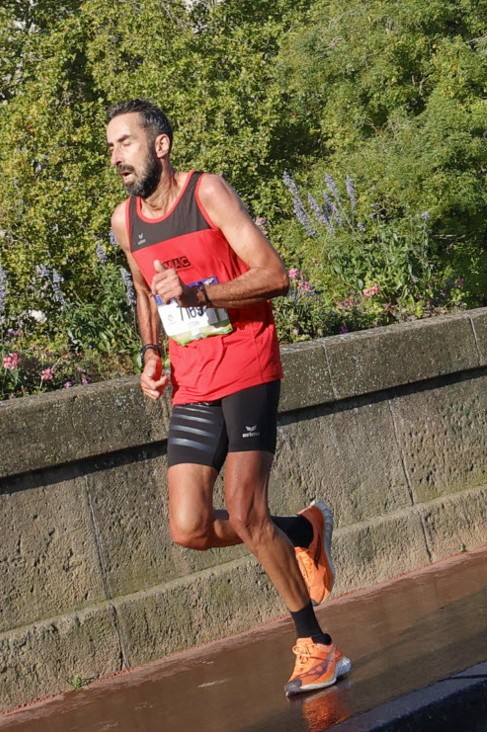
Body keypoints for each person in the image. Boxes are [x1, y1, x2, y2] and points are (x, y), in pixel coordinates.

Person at [106, 98, 351, 696]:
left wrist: (199, 293)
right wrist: (151, 353)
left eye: (126, 143)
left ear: (160, 145)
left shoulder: (207, 193)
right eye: (111, 147)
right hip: (192, 382)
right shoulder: (125, 221)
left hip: (247, 366)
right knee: (188, 528)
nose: (116, 157)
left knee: (245, 514)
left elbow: (274, 275)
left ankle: (318, 646)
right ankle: (301, 531)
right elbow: (144, 290)